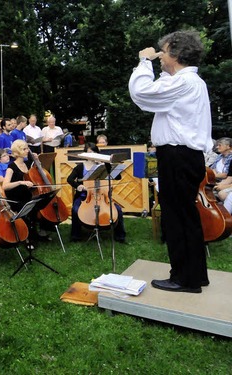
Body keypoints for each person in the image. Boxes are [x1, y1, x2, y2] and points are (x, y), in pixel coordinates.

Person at [129, 30, 212, 293]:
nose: (159, 56)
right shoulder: (190, 81)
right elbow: (163, 87)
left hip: (177, 156)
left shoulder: (184, 83)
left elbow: (142, 94)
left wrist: (144, 62)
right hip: (185, 156)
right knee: (187, 216)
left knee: (176, 218)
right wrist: (161, 67)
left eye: (163, 51)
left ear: (175, 54)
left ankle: (183, 279)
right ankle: (195, 275)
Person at [66, 143, 126, 243]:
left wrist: (106, 164)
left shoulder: (102, 166)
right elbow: (70, 179)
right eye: (89, 152)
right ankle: (75, 236)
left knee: (118, 210)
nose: (92, 155)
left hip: (102, 197)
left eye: (93, 152)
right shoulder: (80, 167)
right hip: (85, 197)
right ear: (85, 154)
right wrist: (78, 186)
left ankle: (120, 236)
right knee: (76, 210)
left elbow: (118, 177)